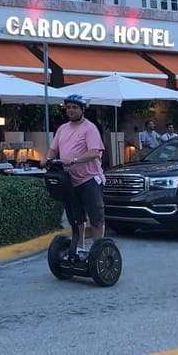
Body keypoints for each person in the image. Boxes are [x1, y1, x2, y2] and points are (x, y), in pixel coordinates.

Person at [41, 94, 106, 253]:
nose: (70, 110)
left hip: (89, 179)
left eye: (74, 107)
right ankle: (80, 247)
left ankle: (99, 250)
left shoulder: (89, 128)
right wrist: (47, 159)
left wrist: (74, 160)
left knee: (95, 215)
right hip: (70, 180)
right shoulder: (62, 128)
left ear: (82, 110)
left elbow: (93, 153)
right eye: (68, 107)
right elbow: (53, 149)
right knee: (76, 216)